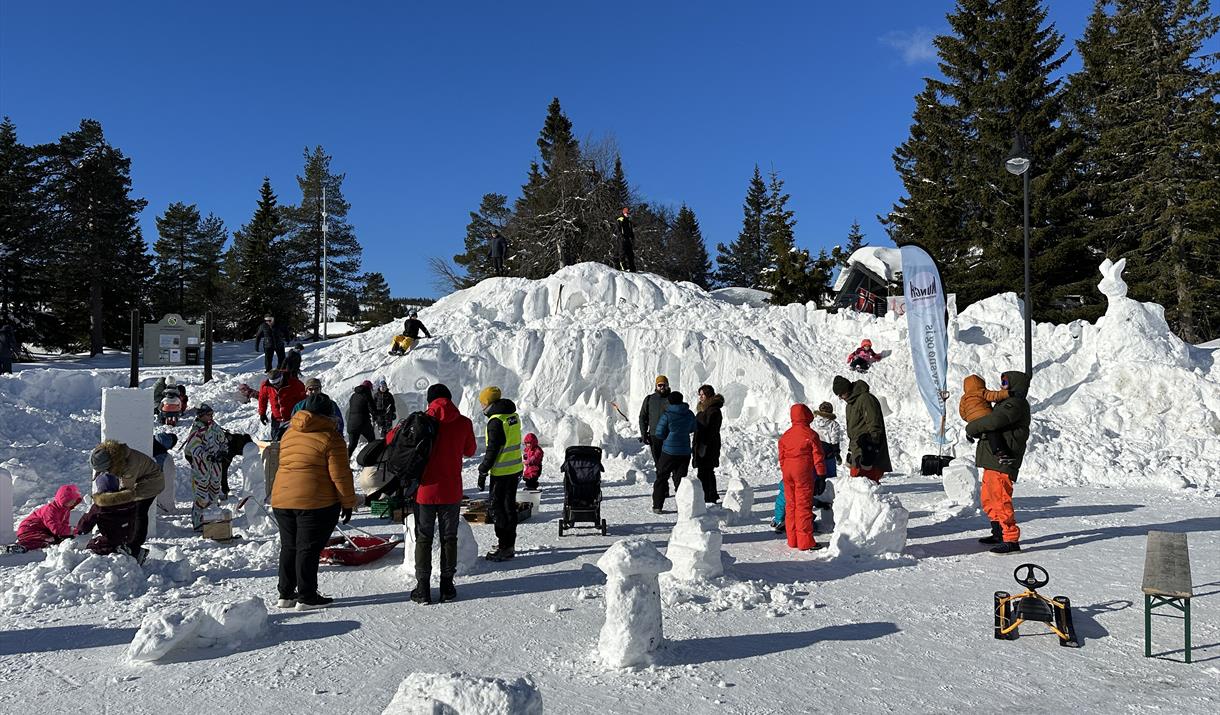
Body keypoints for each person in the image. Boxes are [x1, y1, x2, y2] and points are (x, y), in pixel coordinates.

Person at [271, 393, 356, 610]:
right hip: (313, 501)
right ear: (329, 413)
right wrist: (348, 502)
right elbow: (341, 475)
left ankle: (286, 594)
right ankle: (307, 597)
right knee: (307, 548)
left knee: (289, 546)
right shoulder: (331, 437)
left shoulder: (289, 433)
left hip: (282, 498)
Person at [411, 383, 477, 604]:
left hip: (424, 492)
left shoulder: (421, 421)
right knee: (449, 538)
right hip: (451, 491)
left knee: (424, 538)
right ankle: (447, 587)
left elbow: (393, 440)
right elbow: (470, 451)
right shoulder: (464, 423)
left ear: (430, 400)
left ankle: (422, 589)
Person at [965, 371, 1031, 555]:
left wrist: (972, 427)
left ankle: (1010, 540)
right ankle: (998, 533)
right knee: (989, 498)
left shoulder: (1015, 404)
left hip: (1003, 460)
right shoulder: (1003, 403)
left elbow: (995, 421)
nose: (1001, 385)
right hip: (993, 461)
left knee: (1001, 499)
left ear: (1014, 384)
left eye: (1005, 382)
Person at [88, 439, 165, 551]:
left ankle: (135, 545)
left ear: (109, 464)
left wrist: (109, 501)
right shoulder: (107, 456)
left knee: (139, 511)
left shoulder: (129, 465)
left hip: (152, 483)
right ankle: (126, 537)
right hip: (140, 479)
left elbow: (126, 491)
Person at [477, 386, 523, 562]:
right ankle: (508, 544)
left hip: (502, 471)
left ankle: (504, 546)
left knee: (498, 509)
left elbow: (492, 450)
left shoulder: (495, 422)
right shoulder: (512, 416)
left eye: (482, 402)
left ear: (488, 402)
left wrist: (483, 470)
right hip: (515, 469)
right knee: (509, 507)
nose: (481, 405)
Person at [778, 404, 827, 551]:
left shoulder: (786, 435)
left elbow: (781, 457)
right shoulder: (811, 434)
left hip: (788, 472)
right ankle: (805, 541)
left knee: (791, 505)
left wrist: (786, 469)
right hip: (803, 472)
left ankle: (792, 539)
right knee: (803, 506)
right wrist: (821, 474)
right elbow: (818, 456)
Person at [833, 375, 892, 483]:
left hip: (868, 449)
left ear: (846, 389)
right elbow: (854, 432)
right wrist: (851, 451)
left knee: (868, 485)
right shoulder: (850, 405)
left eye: (841, 394)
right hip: (857, 450)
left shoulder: (865, 399)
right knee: (857, 484)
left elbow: (875, 423)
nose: (840, 398)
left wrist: (872, 447)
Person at [652, 391, 696, 514]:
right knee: (680, 480)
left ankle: (657, 506)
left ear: (670, 401)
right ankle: (682, 506)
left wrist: (668, 436)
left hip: (669, 452)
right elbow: (693, 428)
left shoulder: (667, 415)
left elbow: (659, 433)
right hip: (684, 451)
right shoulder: (689, 414)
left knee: (661, 477)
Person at [184, 404, 226, 531]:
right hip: (201, 467)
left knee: (214, 492)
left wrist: (223, 451)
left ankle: (212, 520)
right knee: (201, 495)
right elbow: (193, 448)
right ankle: (198, 522)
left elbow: (223, 440)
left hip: (215, 466)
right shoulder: (196, 430)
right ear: (201, 415)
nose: (211, 417)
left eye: (212, 414)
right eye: (208, 415)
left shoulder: (214, 427)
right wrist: (207, 456)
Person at [76, 472, 138, 556]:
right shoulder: (128, 501)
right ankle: (130, 549)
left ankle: (114, 552)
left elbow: (86, 523)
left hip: (110, 539)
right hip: (129, 536)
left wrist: (78, 530)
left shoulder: (100, 505)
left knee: (91, 546)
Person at [959, 374, 1015, 464]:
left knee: (982, 431)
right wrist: (1007, 393)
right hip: (985, 418)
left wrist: (970, 419)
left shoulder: (964, 398)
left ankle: (972, 434)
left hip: (972, 422)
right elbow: (995, 396)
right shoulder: (981, 391)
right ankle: (1000, 453)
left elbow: (962, 414)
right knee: (993, 431)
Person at [14, 484, 82, 551]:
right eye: (71, 501)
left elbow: (64, 524)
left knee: (54, 539)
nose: (73, 503)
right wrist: (71, 531)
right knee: (46, 540)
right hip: (29, 529)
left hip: (43, 530)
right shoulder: (50, 510)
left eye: (74, 501)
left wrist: (66, 533)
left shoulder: (66, 510)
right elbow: (55, 528)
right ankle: (20, 546)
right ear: (63, 500)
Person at [692, 385, 724, 504]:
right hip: (702, 443)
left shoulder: (713, 410)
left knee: (706, 471)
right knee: (705, 470)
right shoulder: (704, 409)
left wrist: (704, 444)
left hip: (708, 445)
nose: (700, 397)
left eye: (703, 394)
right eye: (699, 394)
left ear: (708, 395)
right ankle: (710, 494)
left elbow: (711, 430)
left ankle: (708, 496)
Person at [258, 369, 307, 441]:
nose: (276, 386)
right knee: (276, 440)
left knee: (292, 440)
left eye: (278, 383)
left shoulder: (294, 384)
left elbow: (303, 399)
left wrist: (302, 413)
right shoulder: (266, 385)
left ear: (282, 378)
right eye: (273, 384)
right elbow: (262, 398)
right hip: (276, 418)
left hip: (292, 418)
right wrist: (262, 413)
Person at [811, 401, 842, 512]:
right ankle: (829, 496)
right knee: (831, 476)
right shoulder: (834, 424)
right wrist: (837, 453)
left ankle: (814, 496)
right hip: (828, 453)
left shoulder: (813, 423)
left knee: (815, 473)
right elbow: (835, 439)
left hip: (815, 453)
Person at [639, 376, 672, 476]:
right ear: (656, 386)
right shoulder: (649, 399)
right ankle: (662, 489)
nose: (662, 387)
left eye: (664, 385)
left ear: (667, 385)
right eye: (660, 385)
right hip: (654, 436)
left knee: (670, 463)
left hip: (670, 436)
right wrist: (644, 434)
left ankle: (676, 487)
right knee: (659, 464)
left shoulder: (672, 398)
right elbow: (642, 417)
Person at [346, 380, 376, 456]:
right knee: (372, 442)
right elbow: (373, 411)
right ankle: (371, 459)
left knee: (352, 445)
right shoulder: (367, 394)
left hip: (351, 424)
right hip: (363, 423)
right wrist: (383, 412)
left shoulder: (353, 395)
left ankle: (345, 463)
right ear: (369, 388)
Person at [617, 207, 637, 272]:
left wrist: (632, 237)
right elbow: (618, 229)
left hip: (628, 239)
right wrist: (621, 236)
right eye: (627, 213)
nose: (628, 214)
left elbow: (631, 230)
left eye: (628, 213)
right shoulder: (620, 219)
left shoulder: (629, 221)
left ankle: (632, 268)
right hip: (622, 239)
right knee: (622, 253)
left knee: (630, 254)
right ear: (624, 212)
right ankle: (623, 267)